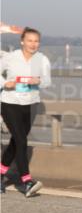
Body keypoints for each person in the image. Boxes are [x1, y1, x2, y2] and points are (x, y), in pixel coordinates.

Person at [1, 27, 51, 197]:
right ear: (22, 41)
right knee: (22, 141)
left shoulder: (42, 59)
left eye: (36, 41)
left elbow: (47, 81)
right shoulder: (10, 57)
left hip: (30, 104)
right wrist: (5, 83)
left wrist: (38, 80)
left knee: (16, 142)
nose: (33, 44)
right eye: (29, 40)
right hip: (10, 103)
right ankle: (27, 181)